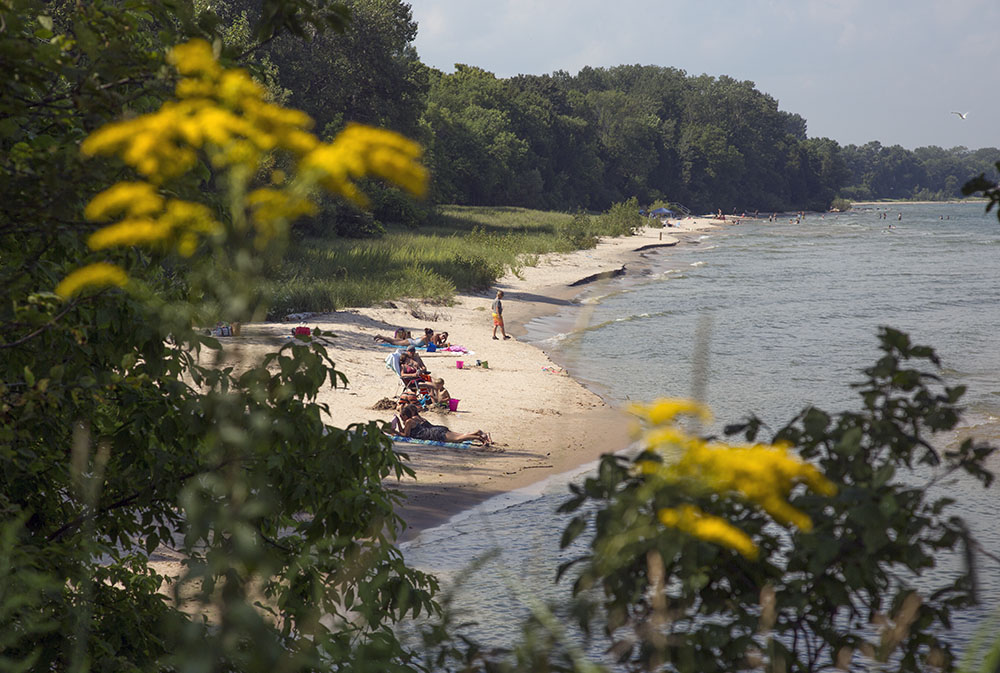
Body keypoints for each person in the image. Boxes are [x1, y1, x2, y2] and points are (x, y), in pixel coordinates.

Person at [397, 404, 491, 446]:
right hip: (437, 429)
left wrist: (394, 429)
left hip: (435, 433)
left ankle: (478, 438)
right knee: (459, 435)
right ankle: (477, 433)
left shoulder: (412, 420)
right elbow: (405, 431)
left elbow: (406, 434)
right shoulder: (418, 418)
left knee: (458, 439)